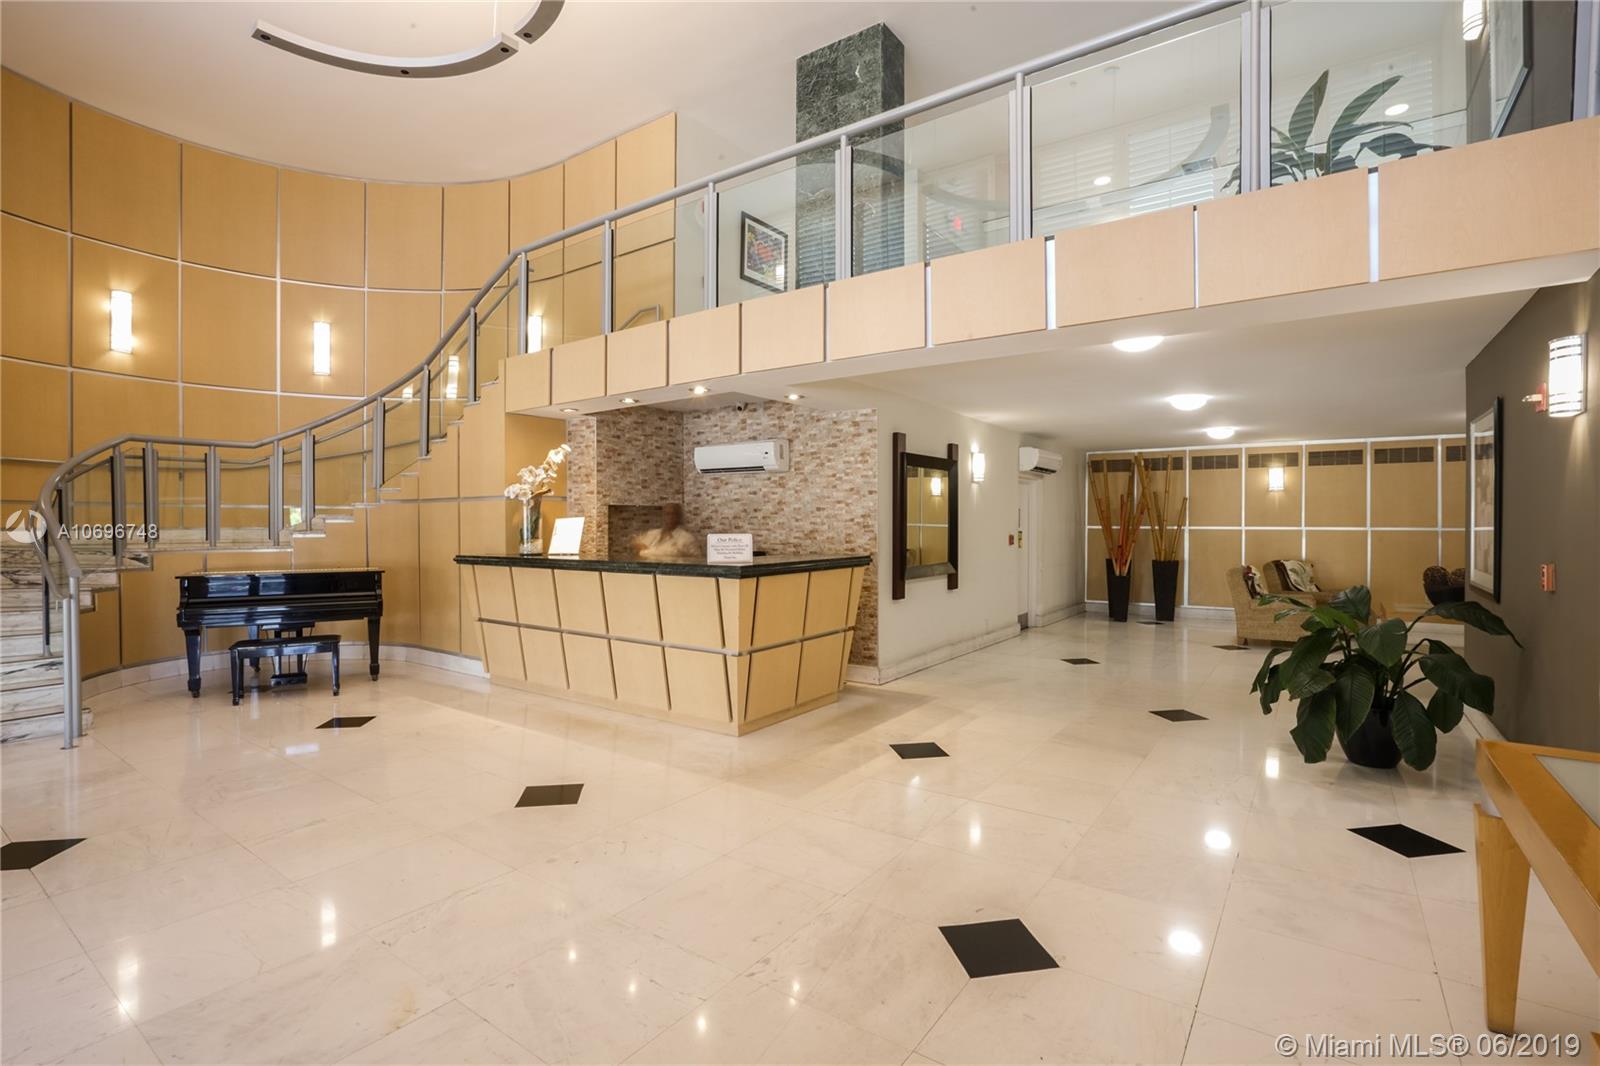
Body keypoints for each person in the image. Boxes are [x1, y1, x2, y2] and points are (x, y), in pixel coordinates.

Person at [632, 502, 699, 559]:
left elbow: (697, 560)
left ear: (679, 517)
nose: (670, 517)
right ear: (662, 516)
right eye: (667, 514)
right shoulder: (651, 534)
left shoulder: (687, 538)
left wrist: (643, 551)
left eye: (673, 514)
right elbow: (635, 547)